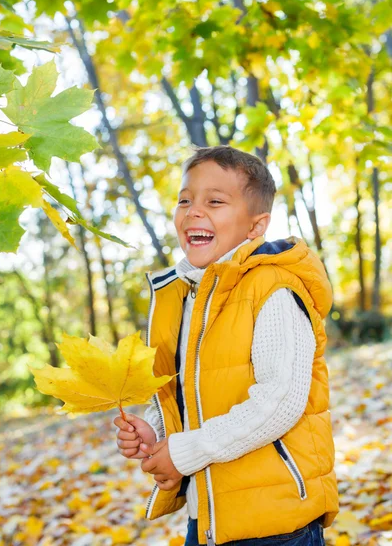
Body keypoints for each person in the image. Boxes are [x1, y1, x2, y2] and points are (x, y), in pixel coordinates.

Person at [114, 146, 339, 546]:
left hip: (275, 522)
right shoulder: (187, 300)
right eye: (185, 200)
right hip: (210, 519)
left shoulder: (273, 288)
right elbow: (192, 392)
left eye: (214, 201)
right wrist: (159, 429)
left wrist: (183, 451)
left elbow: (281, 400)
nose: (194, 211)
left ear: (256, 226)